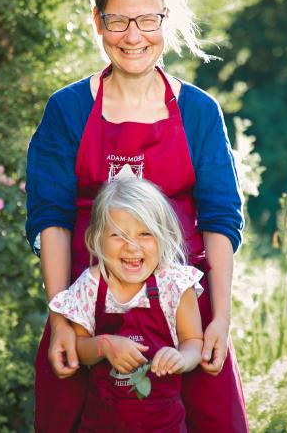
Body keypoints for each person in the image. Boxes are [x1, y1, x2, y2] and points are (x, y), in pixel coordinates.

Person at [26, 0, 249, 432]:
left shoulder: (198, 111)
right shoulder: (66, 110)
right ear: (97, 21)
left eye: (148, 19)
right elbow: (51, 218)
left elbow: (220, 218)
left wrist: (220, 320)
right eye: (117, 20)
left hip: (187, 312)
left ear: (168, 22)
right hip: (89, 308)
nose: (133, 36)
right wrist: (63, 318)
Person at [49, 177, 204, 431]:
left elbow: (194, 342)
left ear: (162, 236)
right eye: (118, 235)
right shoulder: (90, 285)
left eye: (145, 234)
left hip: (164, 425)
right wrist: (104, 346)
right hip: (102, 424)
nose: (132, 246)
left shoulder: (175, 284)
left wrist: (181, 358)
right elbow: (79, 348)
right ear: (97, 239)